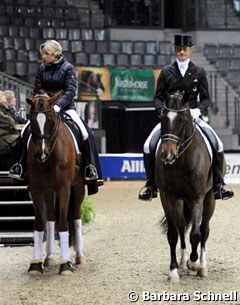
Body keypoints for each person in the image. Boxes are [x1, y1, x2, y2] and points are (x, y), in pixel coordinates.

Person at [138, 34, 234, 201]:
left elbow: (205, 98)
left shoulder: (199, 71)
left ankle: (219, 184)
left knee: (217, 143)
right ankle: (151, 185)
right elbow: (158, 97)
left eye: (185, 49)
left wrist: (199, 110)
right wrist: (162, 112)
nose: (182, 52)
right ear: (175, 50)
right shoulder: (167, 71)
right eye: (179, 49)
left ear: (190, 50)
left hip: (193, 116)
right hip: (171, 119)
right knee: (148, 145)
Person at [9, 40, 103, 193]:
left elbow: (70, 91)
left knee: (86, 133)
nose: (43, 57)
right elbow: (37, 89)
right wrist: (42, 99)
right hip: (44, 109)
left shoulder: (68, 69)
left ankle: (90, 169)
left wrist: (57, 105)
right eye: (43, 54)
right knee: (25, 131)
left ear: (55, 54)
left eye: (46, 54)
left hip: (64, 108)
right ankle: (20, 166)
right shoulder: (42, 68)